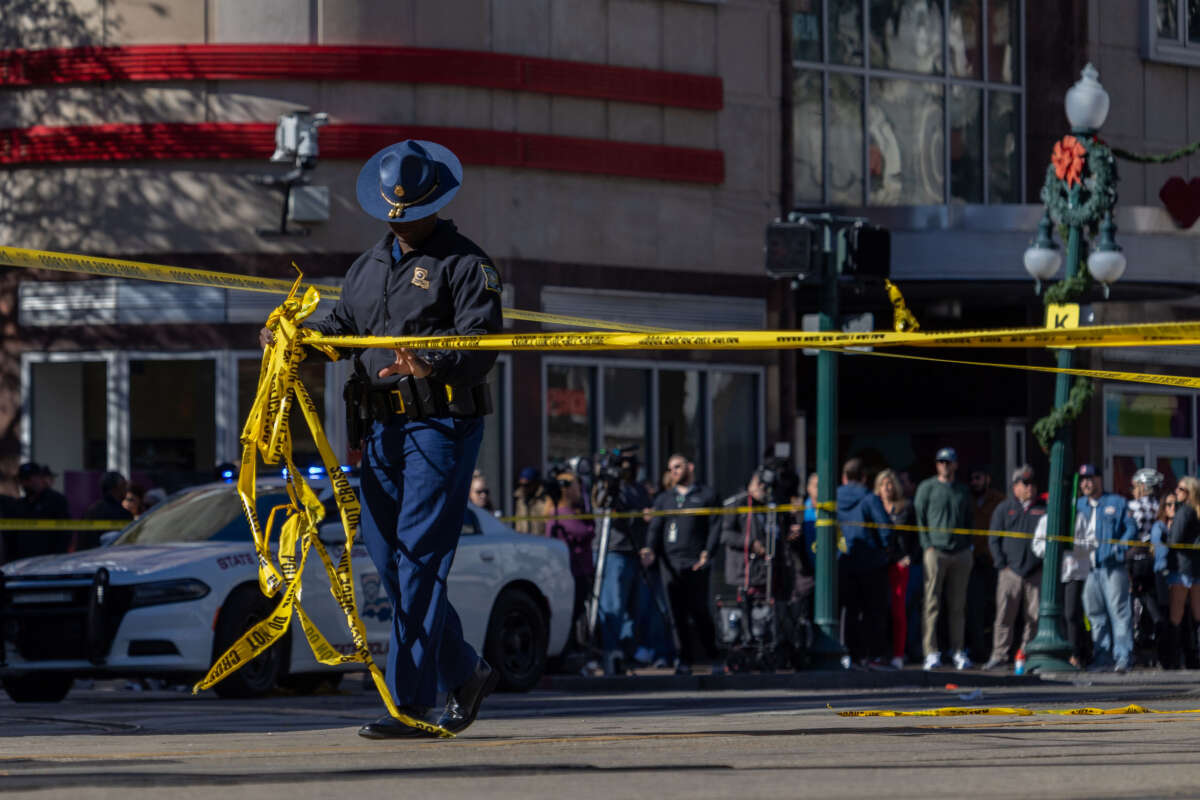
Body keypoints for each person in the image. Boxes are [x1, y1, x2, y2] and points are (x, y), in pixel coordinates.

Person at [268, 139, 502, 738]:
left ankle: (410, 704)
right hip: (378, 430)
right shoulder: (367, 266)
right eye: (392, 214)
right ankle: (464, 671)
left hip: (440, 427)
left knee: (419, 560)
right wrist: (298, 335)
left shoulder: (465, 265)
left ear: (435, 203)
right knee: (391, 564)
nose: (400, 222)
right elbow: (344, 325)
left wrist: (428, 361)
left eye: (410, 212)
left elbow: (482, 345)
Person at [641, 454, 720, 675]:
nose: (674, 471)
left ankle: (713, 656)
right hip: (670, 563)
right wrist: (650, 550)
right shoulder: (665, 499)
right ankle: (682, 659)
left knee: (699, 610)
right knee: (676, 614)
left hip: (696, 562)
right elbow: (656, 527)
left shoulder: (707, 495)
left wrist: (708, 552)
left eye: (678, 466)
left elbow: (715, 526)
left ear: (690, 467)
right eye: (670, 468)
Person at [913, 446, 974, 670]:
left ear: (956, 464)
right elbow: (919, 519)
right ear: (936, 464)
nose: (945, 466)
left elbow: (969, 519)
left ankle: (957, 650)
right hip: (935, 551)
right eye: (941, 462)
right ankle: (931, 651)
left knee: (958, 605)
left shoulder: (962, 490)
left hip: (960, 552)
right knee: (931, 603)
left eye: (949, 462)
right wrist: (926, 545)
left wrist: (969, 547)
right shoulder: (927, 487)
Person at [593, 451, 652, 675]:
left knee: (634, 607)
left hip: (634, 552)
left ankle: (629, 651)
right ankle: (611, 651)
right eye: (626, 466)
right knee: (613, 605)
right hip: (613, 550)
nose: (630, 470)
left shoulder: (638, 489)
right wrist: (639, 515)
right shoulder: (604, 487)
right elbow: (609, 514)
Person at [982, 465, 1045, 671]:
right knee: (1004, 616)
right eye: (1025, 484)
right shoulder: (1004, 508)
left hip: (1035, 572)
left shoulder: (1043, 508)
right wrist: (1002, 565)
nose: (1030, 488)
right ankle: (999, 655)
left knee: (1033, 617)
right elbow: (994, 539)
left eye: (1032, 484)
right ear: (1015, 486)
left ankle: (1026, 654)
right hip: (1010, 573)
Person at [1077, 463, 1137, 672]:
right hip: (1088, 569)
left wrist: (1120, 548)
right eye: (1083, 479)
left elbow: (1131, 529)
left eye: (1091, 478)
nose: (1086, 483)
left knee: (1119, 613)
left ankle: (1123, 657)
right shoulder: (1078, 505)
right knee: (1095, 615)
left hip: (1112, 567)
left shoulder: (1116, 502)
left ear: (1100, 480)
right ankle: (1102, 658)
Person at [836, 458, 893, 668]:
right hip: (870, 564)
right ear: (864, 478)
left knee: (848, 611)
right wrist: (886, 551)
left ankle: (848, 653)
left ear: (844, 477)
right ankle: (873, 655)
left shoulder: (833, 497)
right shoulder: (869, 498)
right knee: (873, 612)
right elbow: (885, 528)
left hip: (843, 561)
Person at [1033, 487, 1092, 669]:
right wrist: (1052, 550)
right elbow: (1037, 546)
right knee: (1056, 615)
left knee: (1071, 614)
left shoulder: (1079, 518)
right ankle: (1061, 652)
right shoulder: (1045, 520)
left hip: (1074, 572)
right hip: (1055, 574)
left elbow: (1090, 543)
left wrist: (1072, 546)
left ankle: (1075, 653)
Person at [546, 470, 595, 649]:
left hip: (576, 570)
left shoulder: (565, 511)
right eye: (577, 487)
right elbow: (587, 531)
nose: (580, 490)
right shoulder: (563, 512)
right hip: (574, 571)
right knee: (574, 613)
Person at [875, 468, 915, 669]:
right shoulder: (873, 507)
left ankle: (898, 654)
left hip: (899, 564)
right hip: (879, 565)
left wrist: (908, 555)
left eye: (890, 484)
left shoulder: (905, 508)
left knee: (898, 611)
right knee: (878, 610)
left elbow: (915, 536)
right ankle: (880, 653)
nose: (887, 488)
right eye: (883, 484)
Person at [966, 466, 1004, 663]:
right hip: (972, 562)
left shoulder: (999, 500)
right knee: (974, 608)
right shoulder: (966, 499)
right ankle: (977, 649)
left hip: (994, 561)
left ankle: (996, 649)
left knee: (997, 608)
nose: (975, 482)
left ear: (987, 478)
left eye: (978, 477)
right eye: (972, 479)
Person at [1127, 468, 1164, 661]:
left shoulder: (1133, 507)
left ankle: (1137, 643)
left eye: (1135, 486)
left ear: (1143, 486)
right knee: (1151, 600)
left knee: (1134, 602)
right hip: (1154, 560)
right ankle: (1150, 639)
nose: (1133, 490)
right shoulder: (1160, 506)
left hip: (1135, 560)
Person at [1165, 477, 1200, 670]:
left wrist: (1166, 533)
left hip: (1181, 567)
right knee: (1197, 615)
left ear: (1189, 492)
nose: (1176, 491)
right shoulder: (1197, 511)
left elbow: (1175, 539)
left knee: (1176, 616)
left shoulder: (1184, 511)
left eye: (1180, 489)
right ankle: (1193, 657)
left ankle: (1172, 659)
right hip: (1196, 567)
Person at [8, 462, 69, 561]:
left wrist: (58, 558)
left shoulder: (55, 501)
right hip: (21, 562)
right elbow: (12, 537)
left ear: (40, 478)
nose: (27, 483)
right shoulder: (19, 505)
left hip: (49, 562)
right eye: (24, 480)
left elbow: (65, 534)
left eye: (30, 479)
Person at [77, 470, 133, 551]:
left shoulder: (91, 511)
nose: (126, 490)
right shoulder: (123, 514)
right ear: (116, 488)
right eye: (124, 486)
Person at [513, 467, 549, 534]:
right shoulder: (520, 500)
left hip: (541, 541)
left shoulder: (544, 501)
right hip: (524, 541)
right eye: (521, 485)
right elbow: (518, 523)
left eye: (527, 485)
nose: (523, 488)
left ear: (535, 483)